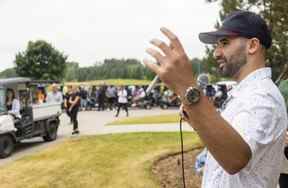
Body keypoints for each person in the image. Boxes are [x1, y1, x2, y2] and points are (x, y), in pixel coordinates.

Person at [144, 10, 287, 188]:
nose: (216, 53)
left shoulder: (262, 96)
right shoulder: (246, 93)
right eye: (217, 45)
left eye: (224, 43)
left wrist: (188, 89)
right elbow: (227, 143)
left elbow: (235, 158)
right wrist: (197, 120)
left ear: (252, 46)